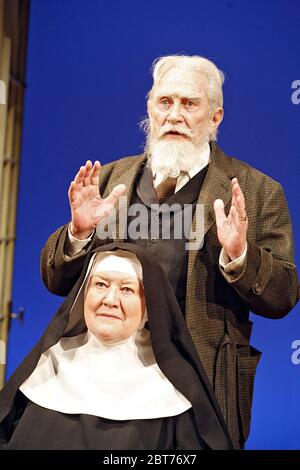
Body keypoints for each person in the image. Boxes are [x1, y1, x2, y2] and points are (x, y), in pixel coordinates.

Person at [40, 55, 299, 448]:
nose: (174, 115)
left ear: (215, 118)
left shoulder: (258, 192)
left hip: (198, 384)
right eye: (165, 102)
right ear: (149, 109)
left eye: (189, 104)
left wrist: (241, 255)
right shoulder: (110, 179)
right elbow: (55, 281)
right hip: (102, 383)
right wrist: (78, 233)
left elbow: (283, 296)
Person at [0, 245, 233, 450]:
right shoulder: (48, 366)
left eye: (127, 289)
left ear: (148, 307)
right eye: (100, 284)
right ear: (83, 295)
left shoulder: (172, 388)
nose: (110, 300)